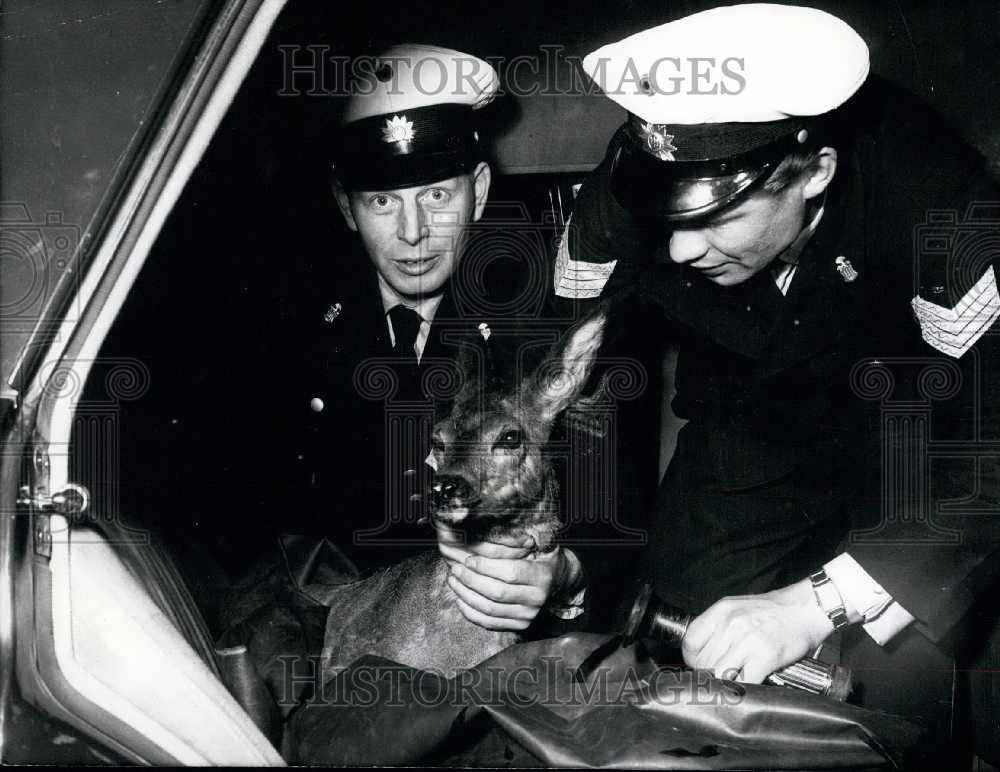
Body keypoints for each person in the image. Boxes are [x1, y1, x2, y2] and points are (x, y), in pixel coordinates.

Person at [554, 3, 1000, 751]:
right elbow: (553, 376)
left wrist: (817, 603)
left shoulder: (941, 209)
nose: (678, 251)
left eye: (717, 219)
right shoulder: (633, 186)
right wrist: (543, 542)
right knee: (682, 648)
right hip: (753, 416)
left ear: (815, 173)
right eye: (668, 218)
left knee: (893, 706)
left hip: (919, 438)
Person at [296, 43, 586, 624]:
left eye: (435, 195)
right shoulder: (295, 324)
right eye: (382, 200)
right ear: (346, 207)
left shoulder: (535, 326)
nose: (413, 233)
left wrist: (565, 576)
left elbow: (603, 506)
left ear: (478, 190)